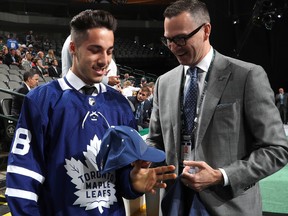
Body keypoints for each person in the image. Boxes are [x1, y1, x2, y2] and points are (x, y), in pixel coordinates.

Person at [5, 9, 176, 216]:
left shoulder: (120, 104)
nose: (105, 61)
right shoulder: (41, 100)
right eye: (95, 50)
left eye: (109, 51)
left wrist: (133, 181)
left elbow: (122, 177)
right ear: (73, 48)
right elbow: (23, 178)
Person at [146, 0, 288, 215]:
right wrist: (144, 158)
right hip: (176, 202)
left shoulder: (246, 76)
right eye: (168, 40)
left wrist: (221, 175)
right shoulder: (164, 82)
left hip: (228, 204)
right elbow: (156, 140)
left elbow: (277, 149)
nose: (174, 47)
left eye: (181, 38)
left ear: (206, 30)